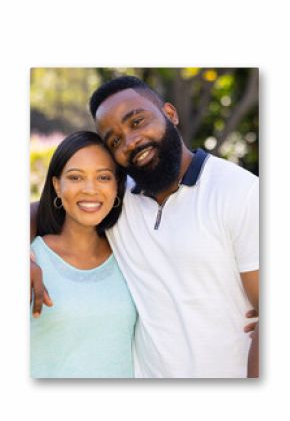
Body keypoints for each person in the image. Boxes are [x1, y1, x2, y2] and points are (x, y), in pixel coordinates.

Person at [31, 76, 259, 378]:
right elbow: (44, 207)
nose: (130, 141)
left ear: (170, 113)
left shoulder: (240, 192)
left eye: (137, 121)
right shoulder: (116, 196)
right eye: (114, 140)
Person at [30, 130, 137, 378]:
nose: (90, 189)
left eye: (103, 177)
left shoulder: (131, 257)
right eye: (76, 177)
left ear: (117, 186)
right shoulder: (32, 260)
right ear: (57, 185)